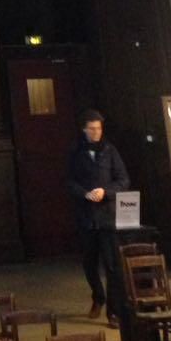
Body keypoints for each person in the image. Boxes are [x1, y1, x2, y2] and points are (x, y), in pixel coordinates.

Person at [66, 109, 130, 326]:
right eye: (92, 129)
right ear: (84, 129)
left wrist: (106, 192)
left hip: (107, 216)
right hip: (86, 217)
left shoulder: (109, 150)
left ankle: (114, 311)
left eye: (99, 128)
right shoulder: (75, 152)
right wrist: (84, 193)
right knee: (89, 264)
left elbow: (123, 180)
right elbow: (69, 182)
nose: (96, 132)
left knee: (113, 266)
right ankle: (98, 296)